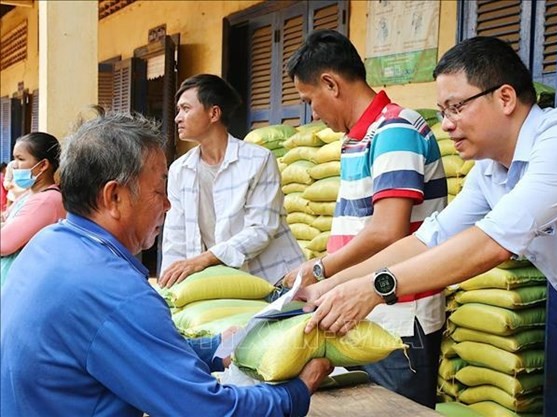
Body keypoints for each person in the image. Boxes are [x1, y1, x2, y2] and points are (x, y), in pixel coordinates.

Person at [298, 36, 557, 416]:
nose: (446, 125)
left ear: (504, 98)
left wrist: (375, 287)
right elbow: (428, 239)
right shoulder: (491, 171)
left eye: (456, 108)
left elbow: (491, 245)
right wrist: (329, 285)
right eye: (441, 111)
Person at [0, 112, 332, 417]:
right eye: (159, 190)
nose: (168, 205)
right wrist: (298, 390)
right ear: (114, 197)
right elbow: (208, 411)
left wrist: (216, 348)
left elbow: (124, 346)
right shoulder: (115, 291)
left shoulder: (48, 244)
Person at [283, 29, 448, 407]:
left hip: (399, 316)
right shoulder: (362, 137)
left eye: (310, 100)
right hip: (363, 307)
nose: (313, 113)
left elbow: (386, 231)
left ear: (331, 84)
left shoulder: (395, 131)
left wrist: (321, 271)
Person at [159, 74, 304, 287]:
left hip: (275, 280)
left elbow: (261, 229)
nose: (177, 118)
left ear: (214, 113)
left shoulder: (258, 160)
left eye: (186, 109)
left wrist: (204, 260)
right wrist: (169, 286)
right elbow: (175, 237)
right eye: (179, 110)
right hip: (221, 285)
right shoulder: (179, 170)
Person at [0, 132, 66, 285]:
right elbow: (6, 220)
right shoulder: (29, 195)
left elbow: (4, 243)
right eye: (14, 158)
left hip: (25, 282)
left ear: (43, 165)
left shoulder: (47, 201)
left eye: (20, 159)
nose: (14, 165)